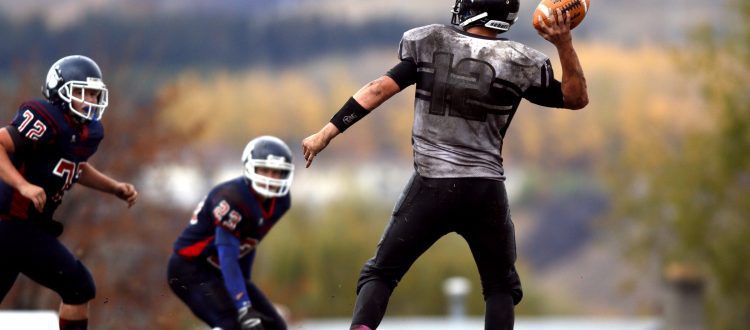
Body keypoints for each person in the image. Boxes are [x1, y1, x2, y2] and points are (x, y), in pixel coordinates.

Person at [302, 0, 588, 328]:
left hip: (433, 184)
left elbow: (378, 89)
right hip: (485, 190)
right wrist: (565, 44)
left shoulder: (431, 41)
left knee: (380, 273)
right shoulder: (518, 60)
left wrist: (326, 132)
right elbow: (576, 98)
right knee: (500, 287)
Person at [0, 55, 139, 330]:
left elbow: (74, 167)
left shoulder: (87, 132)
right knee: (78, 286)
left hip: (24, 227)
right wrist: (23, 185)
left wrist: (114, 187)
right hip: (9, 222)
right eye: (81, 92)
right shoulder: (47, 118)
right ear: (59, 92)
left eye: (93, 93)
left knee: (78, 287)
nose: (89, 100)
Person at [167, 135, 294, 330]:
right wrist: (243, 305)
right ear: (250, 167)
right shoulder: (231, 197)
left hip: (222, 270)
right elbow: (227, 254)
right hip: (190, 269)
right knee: (232, 325)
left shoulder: (281, 202)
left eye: (277, 172)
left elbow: (249, 243)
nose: (271, 178)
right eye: (265, 170)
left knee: (275, 326)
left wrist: (245, 287)